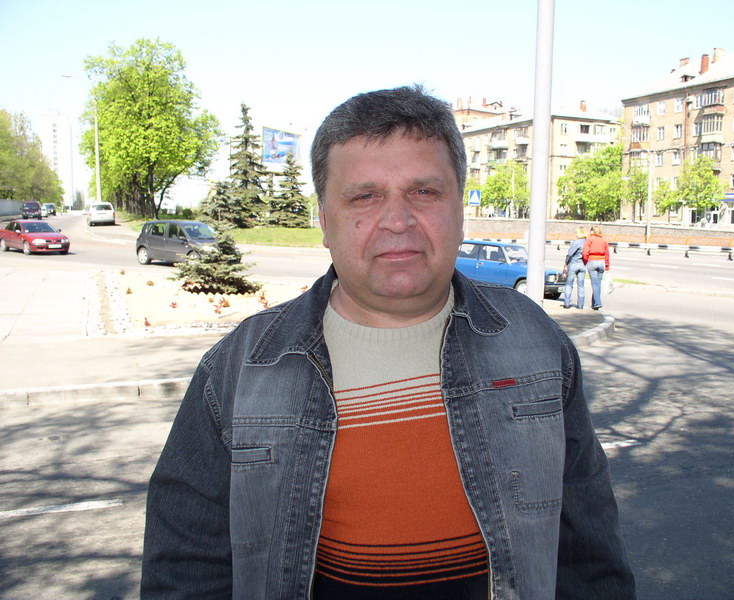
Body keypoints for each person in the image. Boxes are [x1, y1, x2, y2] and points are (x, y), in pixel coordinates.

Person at [141, 86, 636, 599]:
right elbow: (185, 570)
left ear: (459, 209)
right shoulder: (242, 367)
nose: (398, 220)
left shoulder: (534, 341)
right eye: (364, 196)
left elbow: (588, 555)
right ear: (325, 221)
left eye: (424, 192)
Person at [582, 224, 611, 310]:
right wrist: (607, 265)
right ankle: (594, 304)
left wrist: (585, 261)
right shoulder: (604, 240)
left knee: (594, 283)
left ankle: (597, 303)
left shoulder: (589, 239)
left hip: (592, 261)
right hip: (601, 262)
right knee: (598, 284)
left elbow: (585, 252)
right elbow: (607, 253)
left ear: (592, 231)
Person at [562, 226, 588, 309]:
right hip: (583, 264)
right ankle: (580, 305)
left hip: (573, 264)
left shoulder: (576, 242)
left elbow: (570, 254)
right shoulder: (587, 242)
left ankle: (567, 303)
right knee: (581, 285)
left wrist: (566, 264)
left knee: (569, 284)